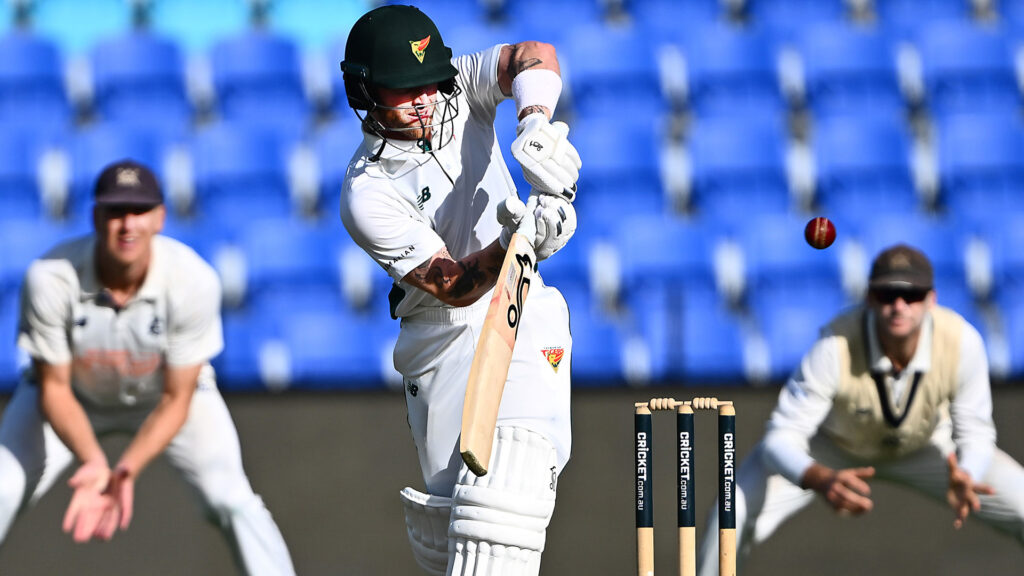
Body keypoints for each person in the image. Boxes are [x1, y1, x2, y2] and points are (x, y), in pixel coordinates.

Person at [338, 5, 581, 575]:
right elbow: (452, 284)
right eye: (405, 90)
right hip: (440, 338)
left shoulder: (460, 88)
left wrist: (534, 123)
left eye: (429, 82)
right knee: (455, 531)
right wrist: (519, 239)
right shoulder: (366, 194)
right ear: (366, 93)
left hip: (521, 305)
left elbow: (535, 54)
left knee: (504, 506)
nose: (425, 100)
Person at [0, 160, 296, 576]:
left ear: (160, 218)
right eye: (115, 211)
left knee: (232, 498)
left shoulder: (193, 280)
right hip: (71, 401)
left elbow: (177, 398)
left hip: (162, 398)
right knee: (2, 486)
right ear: (95, 217)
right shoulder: (50, 278)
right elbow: (54, 388)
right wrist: (93, 460)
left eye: (139, 210)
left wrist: (125, 469)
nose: (128, 225)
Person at [696, 244, 1024, 575]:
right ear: (869, 298)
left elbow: (976, 431)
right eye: (887, 294)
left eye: (911, 295)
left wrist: (967, 472)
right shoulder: (834, 344)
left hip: (928, 447)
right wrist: (818, 478)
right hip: (832, 448)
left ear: (931, 299)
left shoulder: (962, 341)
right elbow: (780, 438)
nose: (898, 306)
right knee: (730, 513)